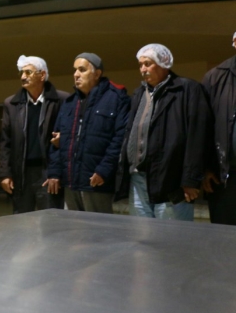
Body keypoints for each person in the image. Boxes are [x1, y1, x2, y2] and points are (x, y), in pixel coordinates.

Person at [116, 44, 211, 221]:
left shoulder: (187, 90)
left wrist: (190, 180)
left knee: (172, 240)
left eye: (148, 63)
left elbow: (198, 137)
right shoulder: (139, 94)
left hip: (171, 180)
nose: (143, 69)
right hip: (138, 179)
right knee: (142, 238)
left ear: (164, 63)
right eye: (140, 64)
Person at [46, 53, 129, 214]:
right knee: (73, 232)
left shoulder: (116, 98)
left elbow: (120, 140)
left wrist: (103, 170)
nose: (76, 74)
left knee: (97, 233)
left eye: (82, 70)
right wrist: (55, 172)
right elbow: (56, 141)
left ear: (97, 74)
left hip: (96, 181)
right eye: (75, 70)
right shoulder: (69, 103)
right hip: (70, 181)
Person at [0, 55, 68, 213]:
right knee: (21, 221)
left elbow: (70, 133)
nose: (23, 77)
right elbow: (5, 142)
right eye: (21, 73)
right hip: (21, 172)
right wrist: (5, 174)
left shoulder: (62, 100)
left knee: (50, 220)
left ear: (42, 75)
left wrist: (64, 138)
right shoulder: (11, 103)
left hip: (49, 171)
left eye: (28, 72)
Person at [202, 33, 236, 225]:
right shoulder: (215, 77)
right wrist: (206, 168)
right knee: (225, 237)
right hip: (225, 176)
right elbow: (203, 129)